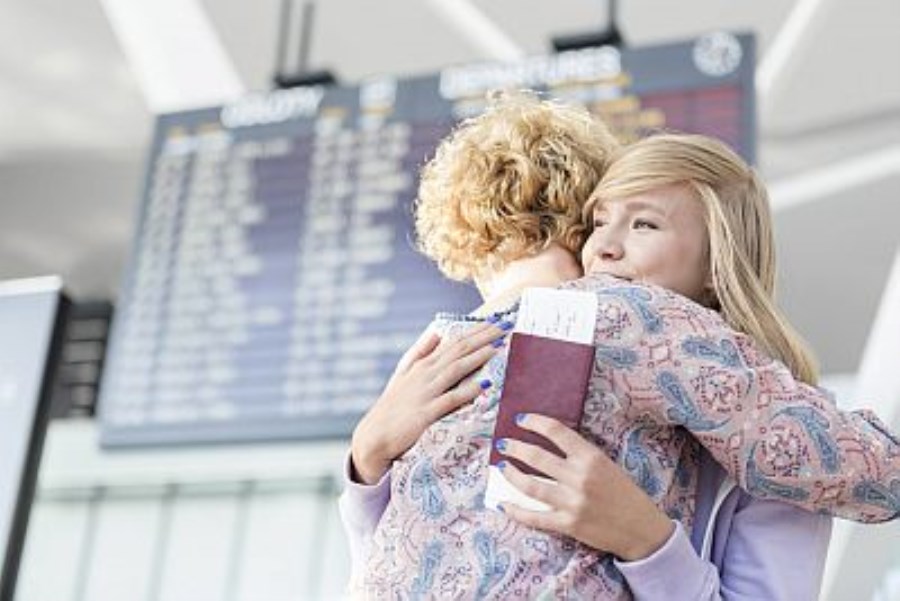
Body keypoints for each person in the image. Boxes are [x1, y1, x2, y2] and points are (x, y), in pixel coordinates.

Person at [340, 95, 900, 599]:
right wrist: (367, 456)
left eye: (644, 225)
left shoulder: (460, 340)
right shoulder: (608, 324)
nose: (604, 249)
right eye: (597, 223)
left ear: (717, 260)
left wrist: (645, 538)